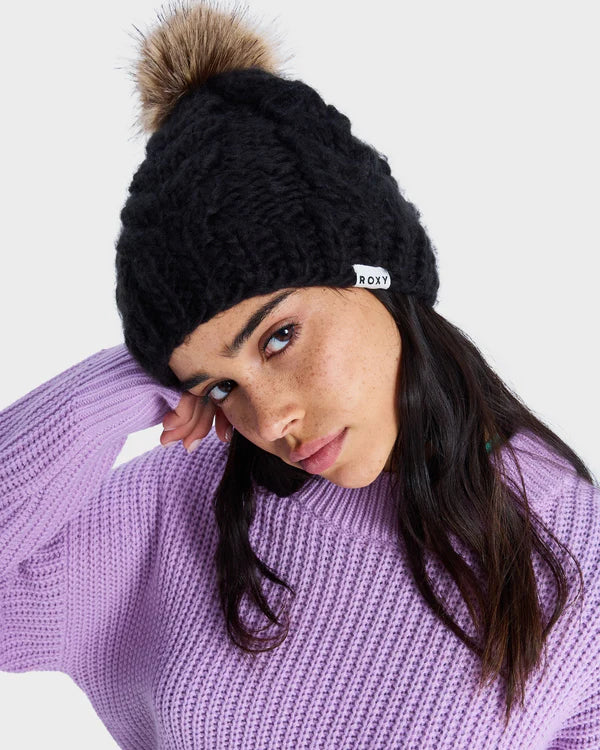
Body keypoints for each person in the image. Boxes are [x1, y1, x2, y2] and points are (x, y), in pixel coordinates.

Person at [1, 1, 598, 748]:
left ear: (378, 278)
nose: (270, 419)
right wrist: (125, 380)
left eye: (279, 337)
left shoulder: (574, 557)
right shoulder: (183, 498)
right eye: (220, 386)